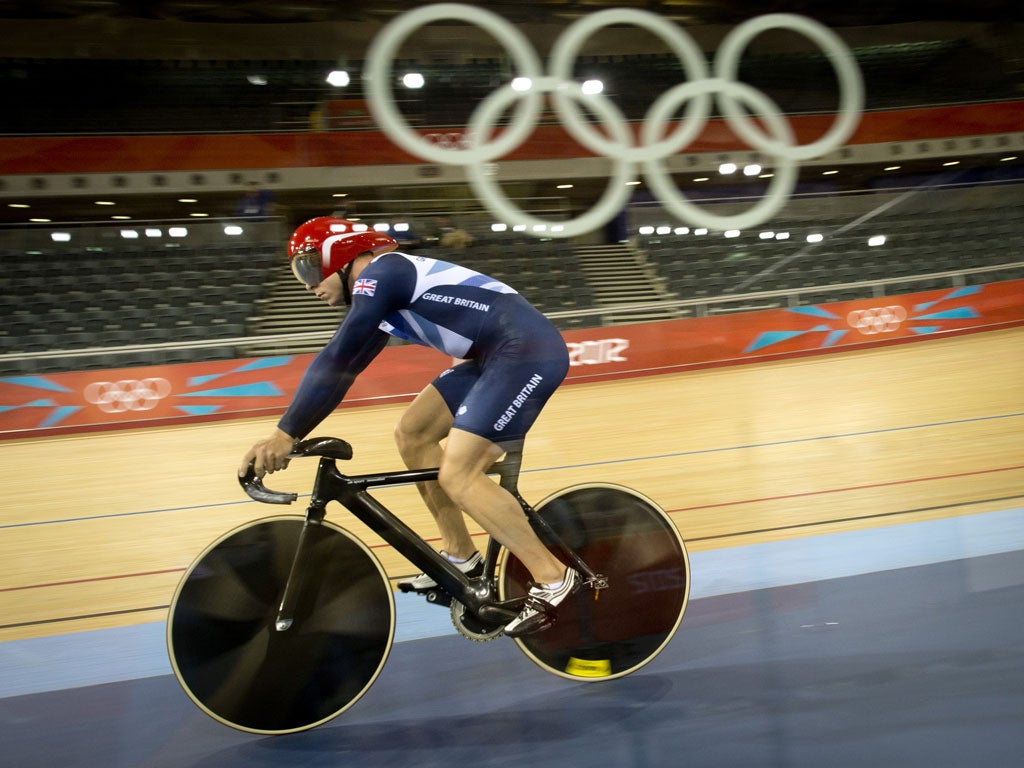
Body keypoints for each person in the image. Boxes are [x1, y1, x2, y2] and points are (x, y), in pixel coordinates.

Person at [240, 216, 576, 636]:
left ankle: (552, 577)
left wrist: (285, 433)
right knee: (412, 433)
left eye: (309, 269)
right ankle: (460, 556)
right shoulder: (380, 304)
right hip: (491, 358)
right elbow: (345, 372)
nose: (308, 285)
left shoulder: (385, 272)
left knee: (459, 471)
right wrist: (292, 431)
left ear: (340, 256)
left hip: (524, 352)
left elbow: (336, 356)